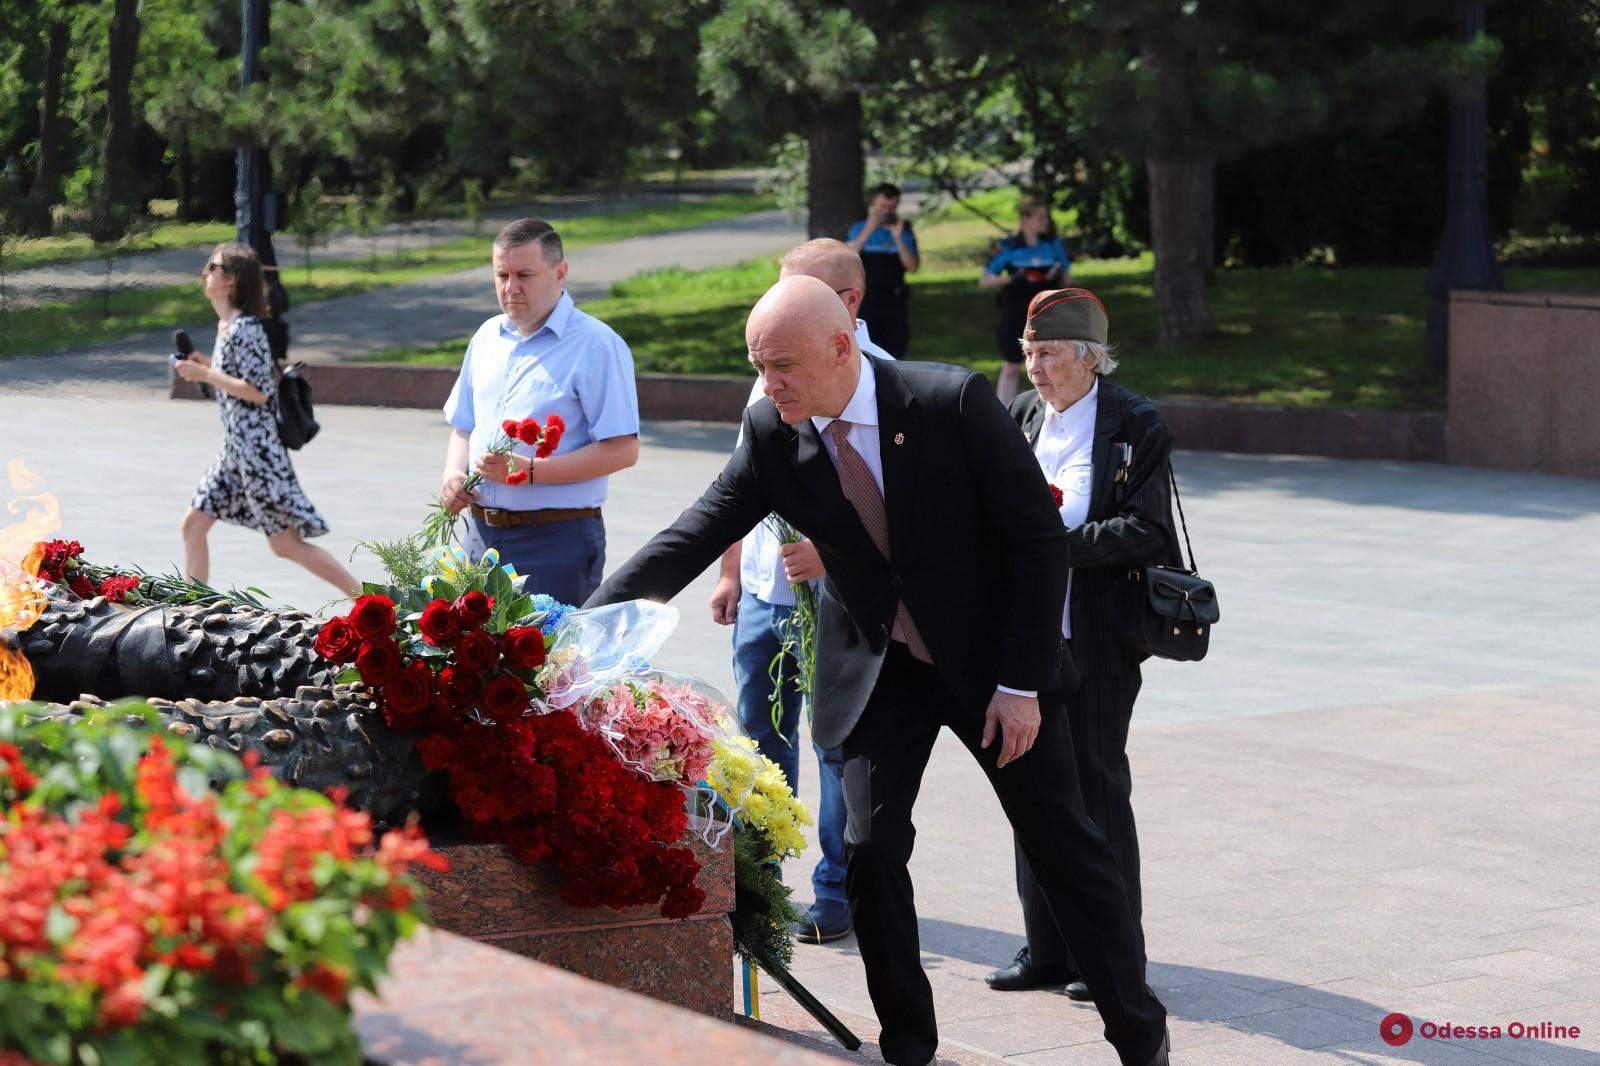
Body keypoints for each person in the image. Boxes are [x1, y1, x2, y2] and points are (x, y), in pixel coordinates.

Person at [587, 275, 1170, 1066]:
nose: (769, 384)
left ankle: (1140, 1035)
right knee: (870, 848)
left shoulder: (950, 403)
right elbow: (693, 532)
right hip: (879, 666)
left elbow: (1037, 542)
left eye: (783, 365)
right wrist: (578, 626)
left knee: (1063, 845)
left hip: (995, 662)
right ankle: (907, 1045)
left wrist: (1022, 684)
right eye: (759, 366)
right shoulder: (772, 431)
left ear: (841, 347)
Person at [987, 288, 1178, 1003]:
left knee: (1096, 795)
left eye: (1047, 353)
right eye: (1028, 352)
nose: (1032, 365)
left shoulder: (1135, 423)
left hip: (1096, 642)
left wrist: (1054, 547)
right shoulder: (1023, 414)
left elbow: (1150, 530)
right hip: (1025, 642)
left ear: (1089, 357)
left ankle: (1112, 959)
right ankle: (1046, 948)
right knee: (1030, 792)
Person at [708, 238, 893, 946]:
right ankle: (757, 881)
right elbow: (736, 487)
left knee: (836, 747)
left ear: (847, 306)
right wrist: (730, 572)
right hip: (763, 592)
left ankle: (837, 889)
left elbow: (895, 510)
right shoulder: (769, 373)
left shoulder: (877, 380)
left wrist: (836, 551)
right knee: (757, 743)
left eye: (800, 293)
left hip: (833, 602)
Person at [439, 218, 640, 605]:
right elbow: (464, 427)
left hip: (554, 539)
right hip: (480, 535)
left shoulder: (596, 345)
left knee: (550, 663)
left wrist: (529, 471)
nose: (511, 287)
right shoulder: (486, 338)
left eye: (524, 274)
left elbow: (622, 449)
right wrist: (452, 475)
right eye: (502, 274)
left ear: (560, 272)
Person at [176, 243, 358, 595]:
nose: (205, 273)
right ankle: (191, 609)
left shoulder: (246, 328)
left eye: (212, 267)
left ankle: (370, 601)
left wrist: (206, 375)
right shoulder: (227, 326)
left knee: (285, 545)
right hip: (236, 454)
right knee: (193, 525)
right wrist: (208, 368)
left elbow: (258, 391)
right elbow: (238, 386)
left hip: (258, 456)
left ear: (231, 281)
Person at [979, 196, 1072, 404]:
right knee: (1011, 365)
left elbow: (1068, 278)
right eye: (1040, 217)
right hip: (1015, 312)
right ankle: (1002, 416)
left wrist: (1055, 275)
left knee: (1050, 365)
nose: (1045, 221)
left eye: (1046, 217)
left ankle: (1051, 412)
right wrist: (1013, 277)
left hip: (1047, 314)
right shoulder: (1009, 246)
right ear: (1025, 219)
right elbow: (985, 280)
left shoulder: (1052, 245)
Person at [845, 183, 919, 358]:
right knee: (864, 354)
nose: (886, 211)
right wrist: (869, 229)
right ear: (873, 205)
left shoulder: (904, 232)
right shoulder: (860, 228)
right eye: (882, 207)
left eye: (891, 207)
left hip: (895, 302)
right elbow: (848, 257)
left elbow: (913, 266)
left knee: (895, 355)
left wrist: (898, 237)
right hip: (866, 302)